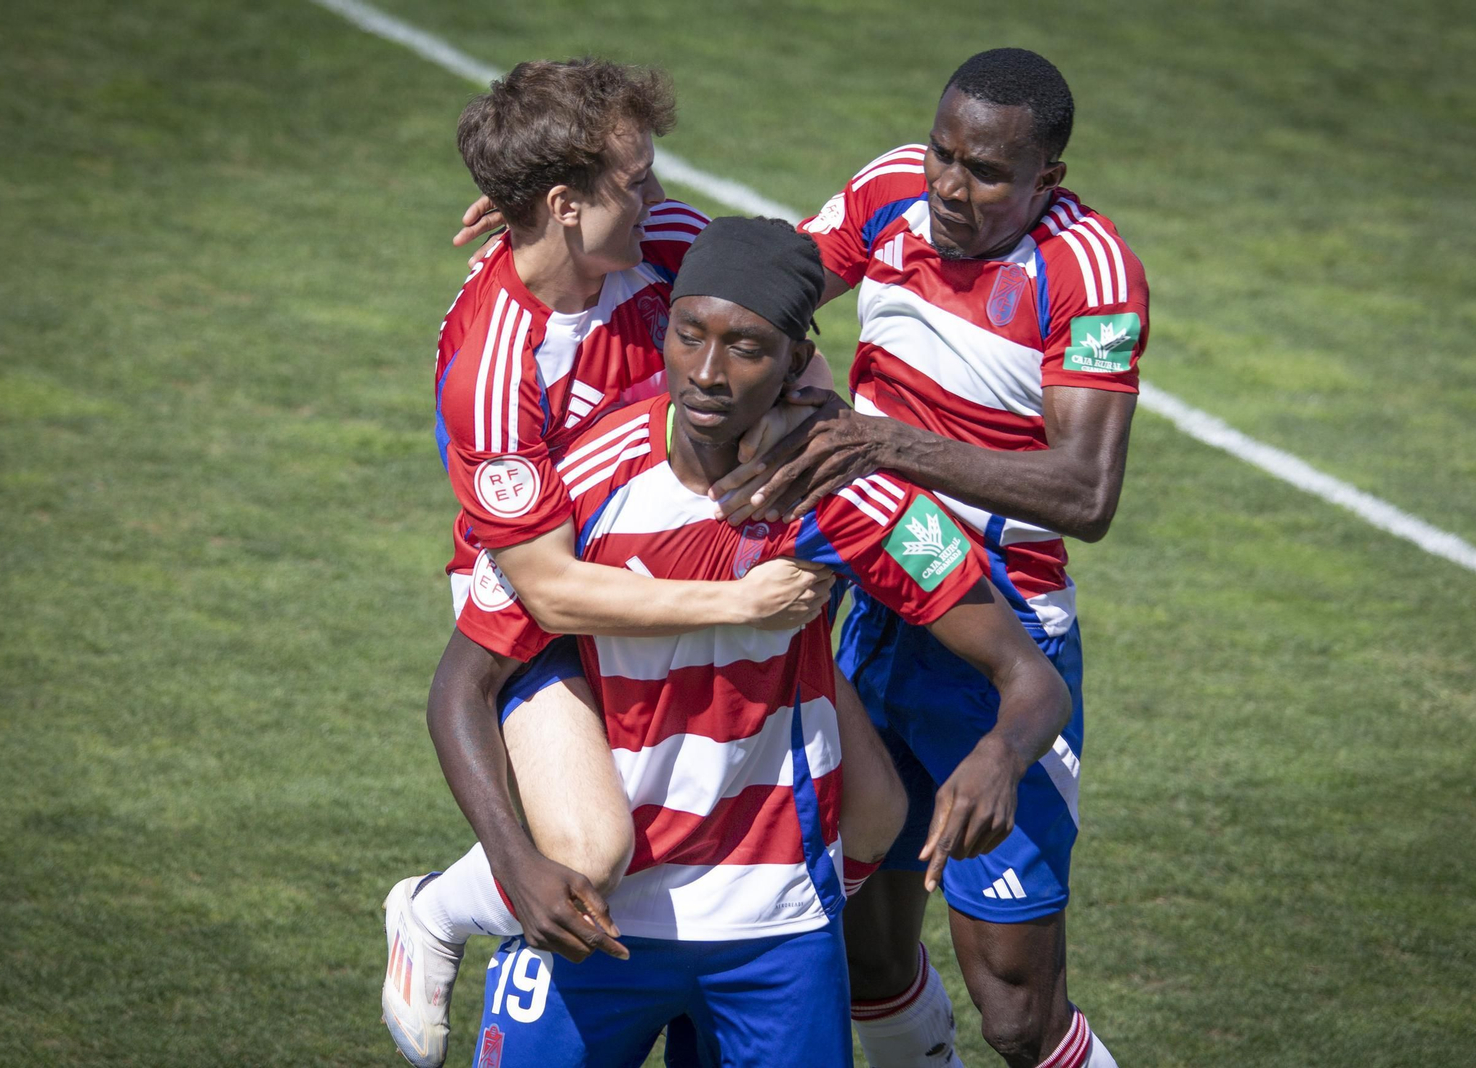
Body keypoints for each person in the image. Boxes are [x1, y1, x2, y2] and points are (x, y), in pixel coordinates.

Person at [438, 216, 1072, 1067]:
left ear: (794, 356)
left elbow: (1030, 677)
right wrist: (515, 861)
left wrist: (1000, 753)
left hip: (774, 935)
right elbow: (461, 688)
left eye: (745, 347)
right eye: (688, 333)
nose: (706, 372)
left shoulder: (846, 497)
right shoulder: (583, 486)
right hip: (598, 913)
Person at [383, 60, 901, 1068]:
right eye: (637, 177)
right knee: (589, 851)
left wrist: (806, 402)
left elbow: (783, 317)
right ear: (567, 208)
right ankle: (437, 913)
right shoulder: (494, 367)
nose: (661, 195)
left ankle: (759, 952)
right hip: (554, 601)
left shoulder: (658, 242)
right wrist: (741, 602)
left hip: (686, 558)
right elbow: (547, 587)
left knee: (876, 806)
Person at [706, 48, 1145, 1068]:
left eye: (987, 172)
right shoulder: (890, 189)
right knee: (862, 957)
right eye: (945, 154)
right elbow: (767, 285)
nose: (950, 187)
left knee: (1016, 1014)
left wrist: (886, 441)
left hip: (996, 632)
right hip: (871, 608)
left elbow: (1084, 492)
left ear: (1047, 180)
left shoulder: (1087, 273)